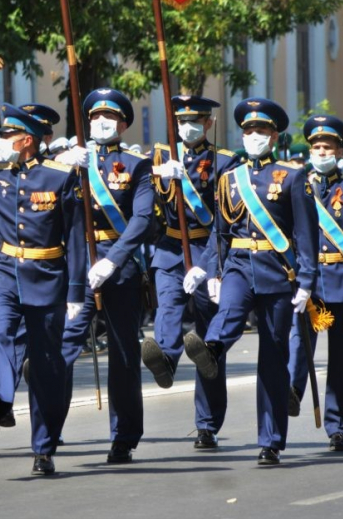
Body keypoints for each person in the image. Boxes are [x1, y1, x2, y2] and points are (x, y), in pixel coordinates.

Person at [0, 102, 85, 476]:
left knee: (45, 367)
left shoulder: (61, 177)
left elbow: (75, 238)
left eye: (8, 135)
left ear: (27, 140)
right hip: (6, 271)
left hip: (47, 274)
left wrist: (76, 292)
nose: (2, 140)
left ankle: (43, 448)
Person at [182, 97, 318, 466]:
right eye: (248, 130)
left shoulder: (292, 175)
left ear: (274, 136)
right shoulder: (230, 177)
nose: (253, 136)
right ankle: (211, 349)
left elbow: (306, 235)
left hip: (278, 270)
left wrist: (306, 281)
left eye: (260, 130)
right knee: (229, 309)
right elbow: (220, 233)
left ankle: (271, 441)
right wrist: (209, 270)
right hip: (239, 264)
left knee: (273, 357)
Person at [61, 88, 155, 464]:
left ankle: (124, 436)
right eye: (96, 117)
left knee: (123, 354)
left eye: (110, 118)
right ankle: (47, 434)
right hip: (78, 265)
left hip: (120, 268)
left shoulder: (136, 164)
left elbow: (142, 219)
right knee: (62, 348)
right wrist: (66, 168)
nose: (101, 122)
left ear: (123, 124)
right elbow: (56, 213)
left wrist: (113, 260)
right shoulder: (70, 162)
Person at [142, 95, 240, 449]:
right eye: (181, 121)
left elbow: (225, 219)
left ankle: (207, 424)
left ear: (209, 124)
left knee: (206, 344)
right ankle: (165, 360)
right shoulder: (159, 157)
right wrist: (157, 173)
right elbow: (130, 181)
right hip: (170, 247)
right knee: (167, 305)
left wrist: (209, 266)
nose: (187, 127)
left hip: (206, 250)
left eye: (195, 121)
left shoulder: (225, 162)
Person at [287, 115, 343, 452]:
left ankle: (338, 428)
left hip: (342, 281)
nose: (320, 152)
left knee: (342, 356)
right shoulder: (296, 183)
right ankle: (292, 391)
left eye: (327, 147)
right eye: (315, 147)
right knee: (299, 340)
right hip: (307, 281)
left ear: (339, 151)